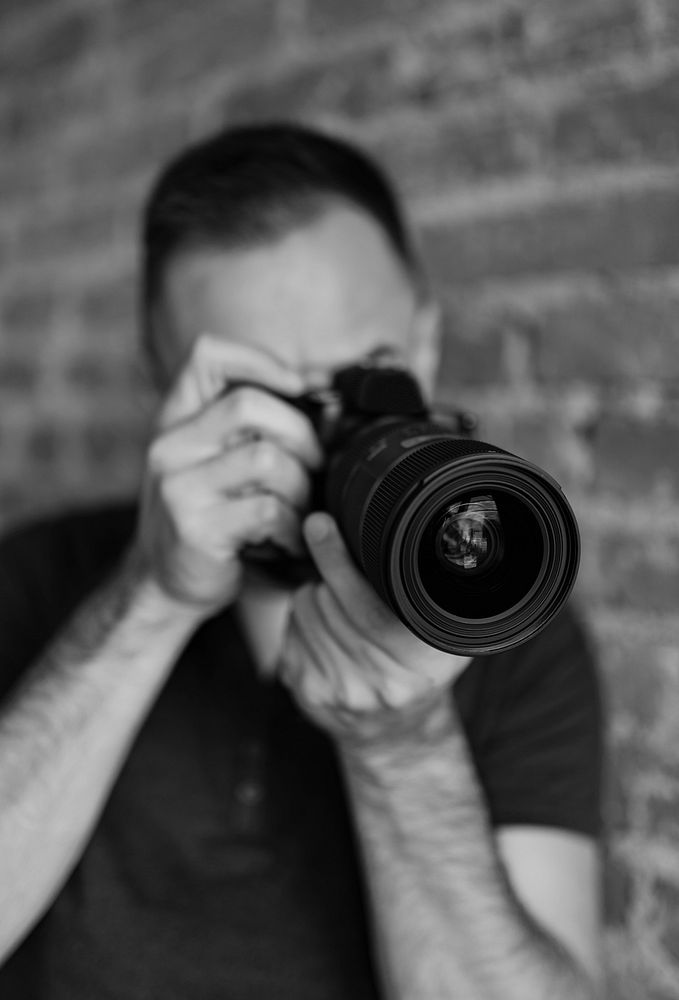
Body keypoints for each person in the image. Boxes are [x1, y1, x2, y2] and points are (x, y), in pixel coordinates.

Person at [0, 123, 603, 999]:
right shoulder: (35, 576)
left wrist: (402, 748)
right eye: (270, 395)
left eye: (369, 379)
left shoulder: (507, 611)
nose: (329, 435)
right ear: (161, 384)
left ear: (424, 344)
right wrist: (151, 599)